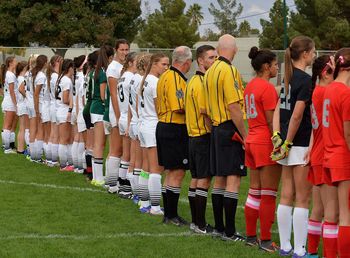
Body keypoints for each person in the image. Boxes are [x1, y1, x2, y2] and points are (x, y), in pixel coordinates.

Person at [271, 36, 316, 257]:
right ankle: (299, 249)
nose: (314, 54)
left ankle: (286, 246)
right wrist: (287, 141)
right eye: (313, 51)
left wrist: (277, 136)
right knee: (301, 198)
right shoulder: (305, 80)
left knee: (286, 194)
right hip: (297, 143)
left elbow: (279, 109)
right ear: (305, 53)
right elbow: (297, 116)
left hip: (287, 141)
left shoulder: (287, 77)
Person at [203, 34, 247, 241]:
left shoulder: (210, 71)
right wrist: (244, 135)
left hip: (216, 128)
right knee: (233, 179)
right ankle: (229, 231)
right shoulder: (228, 70)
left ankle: (220, 228)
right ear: (234, 49)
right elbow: (234, 106)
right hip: (229, 128)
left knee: (219, 179)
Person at [243, 47, 281, 251]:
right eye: (275, 64)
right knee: (268, 193)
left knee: (254, 192)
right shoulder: (266, 88)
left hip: (251, 139)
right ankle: (266, 240)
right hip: (264, 141)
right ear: (266, 66)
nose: (277, 68)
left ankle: (251, 236)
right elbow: (270, 120)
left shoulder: (250, 86)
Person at [156, 46, 192, 225]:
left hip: (164, 125)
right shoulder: (176, 78)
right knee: (177, 172)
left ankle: (169, 214)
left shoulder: (165, 76)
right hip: (174, 127)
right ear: (186, 62)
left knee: (171, 173)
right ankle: (171, 215)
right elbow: (179, 106)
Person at [306, 55, 337, 258]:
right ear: (326, 71)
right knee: (333, 213)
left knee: (317, 209)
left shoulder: (317, 91)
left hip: (317, 153)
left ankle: (311, 252)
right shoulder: (328, 92)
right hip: (327, 154)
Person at [184, 45, 216, 233]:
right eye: (210, 58)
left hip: (192, 137)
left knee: (195, 179)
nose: (214, 61)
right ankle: (201, 224)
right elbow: (205, 112)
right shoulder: (202, 82)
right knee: (203, 180)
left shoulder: (192, 80)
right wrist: (213, 132)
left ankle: (195, 222)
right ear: (200, 61)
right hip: (202, 136)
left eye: (215, 57)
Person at [322, 48, 350, 258]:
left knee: (331, 216)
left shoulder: (329, 89)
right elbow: (348, 134)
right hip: (342, 156)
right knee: (346, 216)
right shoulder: (345, 93)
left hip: (328, 155)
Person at [138, 52, 169, 214]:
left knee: (146, 167)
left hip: (144, 125)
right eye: (163, 64)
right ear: (154, 64)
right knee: (156, 169)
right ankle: (155, 207)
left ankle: (144, 203)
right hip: (152, 126)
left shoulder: (145, 80)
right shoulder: (156, 81)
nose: (166, 67)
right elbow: (160, 108)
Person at [104, 39, 129, 193]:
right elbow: (113, 94)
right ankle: (112, 184)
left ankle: (111, 182)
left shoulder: (123, 67)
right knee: (116, 149)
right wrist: (119, 116)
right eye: (122, 50)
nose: (125, 53)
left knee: (119, 149)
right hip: (116, 113)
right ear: (116, 50)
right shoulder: (113, 68)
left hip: (123, 112)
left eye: (127, 50)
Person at [90, 45, 114, 186]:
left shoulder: (95, 71)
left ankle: (97, 176)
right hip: (99, 108)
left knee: (97, 144)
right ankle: (98, 178)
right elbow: (104, 95)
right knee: (100, 144)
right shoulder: (103, 73)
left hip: (95, 107)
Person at [117, 52, 138, 198]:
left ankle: (121, 185)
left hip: (123, 117)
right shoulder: (132, 77)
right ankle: (127, 188)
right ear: (130, 62)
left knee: (126, 154)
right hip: (129, 117)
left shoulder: (122, 76)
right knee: (132, 156)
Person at [55, 59, 74, 171]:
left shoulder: (61, 78)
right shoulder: (66, 80)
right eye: (72, 68)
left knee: (66, 138)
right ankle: (63, 165)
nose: (73, 70)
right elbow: (65, 99)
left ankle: (66, 162)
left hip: (60, 111)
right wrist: (73, 103)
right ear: (69, 68)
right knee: (64, 139)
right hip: (64, 111)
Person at [47, 55, 63, 167]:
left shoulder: (52, 75)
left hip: (52, 105)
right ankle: (53, 159)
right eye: (61, 61)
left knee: (53, 133)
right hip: (56, 105)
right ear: (56, 63)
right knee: (55, 134)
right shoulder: (56, 76)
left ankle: (51, 159)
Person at [72, 55, 87, 173]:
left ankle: (77, 166)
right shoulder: (82, 76)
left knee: (77, 138)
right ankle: (80, 166)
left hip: (75, 109)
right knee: (82, 140)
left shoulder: (75, 75)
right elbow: (80, 97)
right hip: (81, 109)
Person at [32, 55, 48, 162]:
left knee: (38, 130)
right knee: (41, 131)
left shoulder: (36, 73)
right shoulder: (41, 75)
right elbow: (36, 94)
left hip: (38, 104)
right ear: (45, 63)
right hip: (41, 105)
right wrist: (37, 109)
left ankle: (35, 156)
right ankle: (37, 156)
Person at [1, 56, 18, 154]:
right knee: (7, 125)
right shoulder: (10, 75)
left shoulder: (10, 74)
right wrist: (15, 104)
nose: (16, 62)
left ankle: (8, 145)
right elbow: (12, 91)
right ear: (10, 63)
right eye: (15, 61)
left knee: (10, 125)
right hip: (10, 102)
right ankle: (7, 148)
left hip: (9, 101)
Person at [15, 61, 29, 154]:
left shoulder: (19, 78)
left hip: (20, 104)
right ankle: (21, 149)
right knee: (24, 128)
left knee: (22, 128)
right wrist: (27, 96)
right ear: (24, 68)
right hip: (23, 104)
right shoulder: (22, 78)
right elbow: (21, 89)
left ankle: (20, 148)